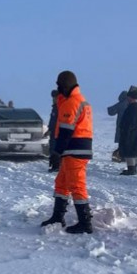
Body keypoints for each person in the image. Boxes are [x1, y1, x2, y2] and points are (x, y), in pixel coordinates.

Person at [41, 70, 94, 234]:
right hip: (73, 149)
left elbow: (65, 130)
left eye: (59, 84)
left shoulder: (72, 102)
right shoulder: (77, 100)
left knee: (77, 185)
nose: (57, 88)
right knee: (62, 183)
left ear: (64, 85)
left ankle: (85, 223)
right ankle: (58, 216)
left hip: (74, 150)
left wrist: (56, 151)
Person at [118, 88, 137, 176]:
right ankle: (133, 168)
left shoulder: (132, 108)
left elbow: (130, 122)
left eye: (128, 97)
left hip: (129, 133)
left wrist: (126, 131)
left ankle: (131, 169)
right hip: (135, 133)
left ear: (131, 97)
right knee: (134, 151)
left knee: (130, 151)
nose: (127, 99)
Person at [107, 86, 135, 162]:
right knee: (126, 142)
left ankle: (121, 157)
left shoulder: (121, 104)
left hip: (121, 126)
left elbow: (110, 112)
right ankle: (124, 157)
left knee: (122, 142)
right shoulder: (130, 104)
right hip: (128, 127)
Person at [44, 89, 60, 172]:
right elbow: (52, 120)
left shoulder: (59, 108)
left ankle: (56, 166)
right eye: (53, 98)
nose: (53, 100)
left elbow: (56, 121)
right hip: (54, 132)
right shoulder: (55, 108)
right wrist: (49, 130)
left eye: (55, 98)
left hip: (58, 132)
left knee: (55, 149)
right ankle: (54, 165)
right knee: (52, 148)